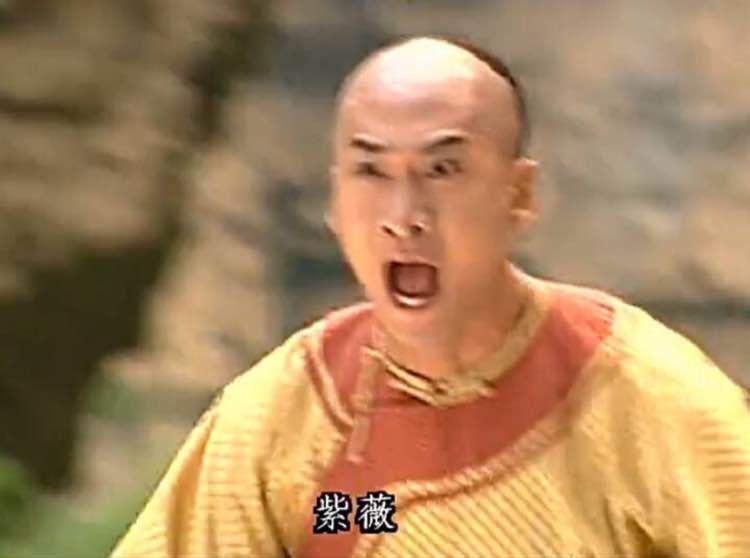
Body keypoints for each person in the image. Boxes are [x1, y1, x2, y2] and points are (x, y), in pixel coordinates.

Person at [111, 36, 750, 558]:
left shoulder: (650, 396)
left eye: (443, 169)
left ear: (519, 194)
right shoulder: (282, 412)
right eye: (371, 171)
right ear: (335, 202)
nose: (404, 216)